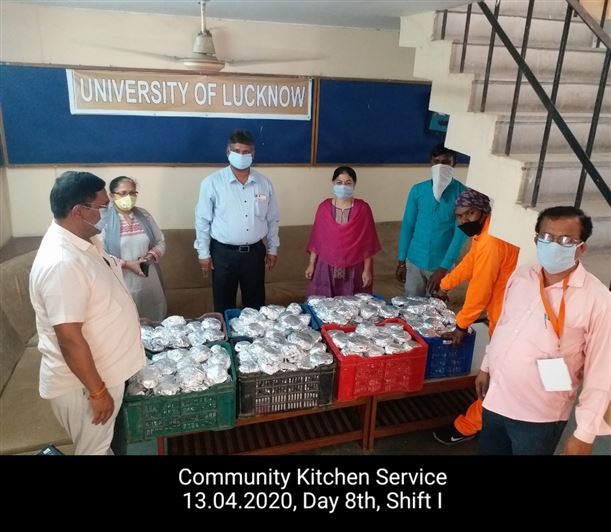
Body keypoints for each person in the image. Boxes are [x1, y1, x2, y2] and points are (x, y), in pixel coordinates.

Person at [477, 206, 611, 455]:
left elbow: (602, 374)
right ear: (536, 239)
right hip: (496, 397)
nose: (554, 245)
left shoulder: (598, 300)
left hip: (538, 415)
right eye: (547, 237)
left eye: (565, 240)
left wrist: (584, 434)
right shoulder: (522, 275)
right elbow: (504, 325)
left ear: (581, 247)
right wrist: (486, 366)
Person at [29, 171, 146, 455]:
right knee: (92, 451)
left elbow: (99, 282)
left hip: (106, 372)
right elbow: (69, 338)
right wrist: (97, 392)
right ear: (79, 211)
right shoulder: (61, 263)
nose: (109, 211)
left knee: (102, 447)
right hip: (85, 385)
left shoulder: (84, 240)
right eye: (104, 207)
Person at [431, 188, 519, 445]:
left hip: (506, 320)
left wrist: (461, 325)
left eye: (463, 216)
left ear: (477, 212)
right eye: (457, 217)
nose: (460, 222)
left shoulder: (492, 242)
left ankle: (468, 426)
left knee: (493, 377)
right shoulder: (485, 233)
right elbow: (471, 262)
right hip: (500, 316)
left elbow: (479, 291)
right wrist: (445, 284)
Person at [195, 129, 280, 313]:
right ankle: (227, 341)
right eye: (237, 151)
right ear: (228, 152)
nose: (241, 156)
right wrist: (203, 254)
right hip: (223, 254)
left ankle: (255, 341)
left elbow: (272, 219)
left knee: (256, 306)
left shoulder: (264, 183)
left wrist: (273, 248)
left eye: (246, 152)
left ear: (253, 154)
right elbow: (202, 221)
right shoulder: (212, 183)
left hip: (255, 254)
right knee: (224, 306)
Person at [396, 144, 468, 296]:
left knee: (437, 314)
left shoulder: (462, 194)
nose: (441, 166)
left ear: (454, 163)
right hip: (414, 261)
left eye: (446, 162)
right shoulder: (417, 190)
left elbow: (459, 236)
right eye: (437, 161)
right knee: (410, 309)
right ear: (431, 163)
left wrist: (443, 268)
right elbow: (408, 226)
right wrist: (401, 260)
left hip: (441, 265)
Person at [305, 166, 381, 296]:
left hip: (355, 267)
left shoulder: (363, 209)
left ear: (354, 184)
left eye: (348, 183)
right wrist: (311, 264)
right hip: (325, 266)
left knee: (353, 309)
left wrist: (367, 270)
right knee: (323, 306)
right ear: (333, 183)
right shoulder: (324, 208)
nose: (343, 186)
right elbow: (317, 239)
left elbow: (368, 242)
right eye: (339, 183)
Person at [101, 176, 167, 322]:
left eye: (132, 193)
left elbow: (160, 242)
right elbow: (100, 255)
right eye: (123, 193)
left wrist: (150, 256)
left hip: (149, 280)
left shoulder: (144, 215)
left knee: (154, 320)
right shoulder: (103, 220)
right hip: (122, 282)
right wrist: (127, 264)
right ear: (112, 196)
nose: (128, 197)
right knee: (127, 322)